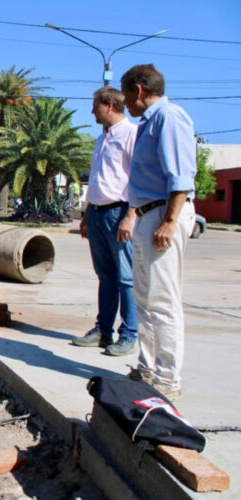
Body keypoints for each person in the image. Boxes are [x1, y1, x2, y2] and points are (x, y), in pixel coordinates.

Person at [120, 64, 197, 401]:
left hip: (165, 214)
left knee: (163, 301)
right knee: (145, 299)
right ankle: (148, 367)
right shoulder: (149, 123)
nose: (125, 103)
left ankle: (167, 377)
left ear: (138, 89)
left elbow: (180, 175)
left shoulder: (169, 117)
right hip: (148, 214)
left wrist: (169, 220)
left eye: (125, 96)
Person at [72, 87, 138, 357]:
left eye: (95, 105)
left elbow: (137, 180)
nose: (92, 111)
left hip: (119, 212)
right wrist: (87, 215)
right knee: (105, 276)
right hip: (98, 213)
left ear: (109, 105)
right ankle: (103, 330)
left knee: (126, 277)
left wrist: (131, 216)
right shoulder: (102, 139)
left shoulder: (131, 135)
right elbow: (98, 180)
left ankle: (129, 334)